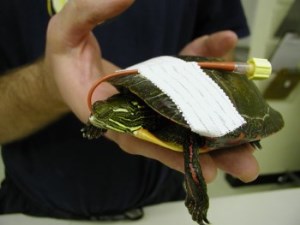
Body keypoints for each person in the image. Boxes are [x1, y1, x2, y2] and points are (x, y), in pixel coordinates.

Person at [0, 0, 259, 220]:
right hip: (30, 212)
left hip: (165, 207)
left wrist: (193, 82)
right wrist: (51, 82)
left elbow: (224, 57)